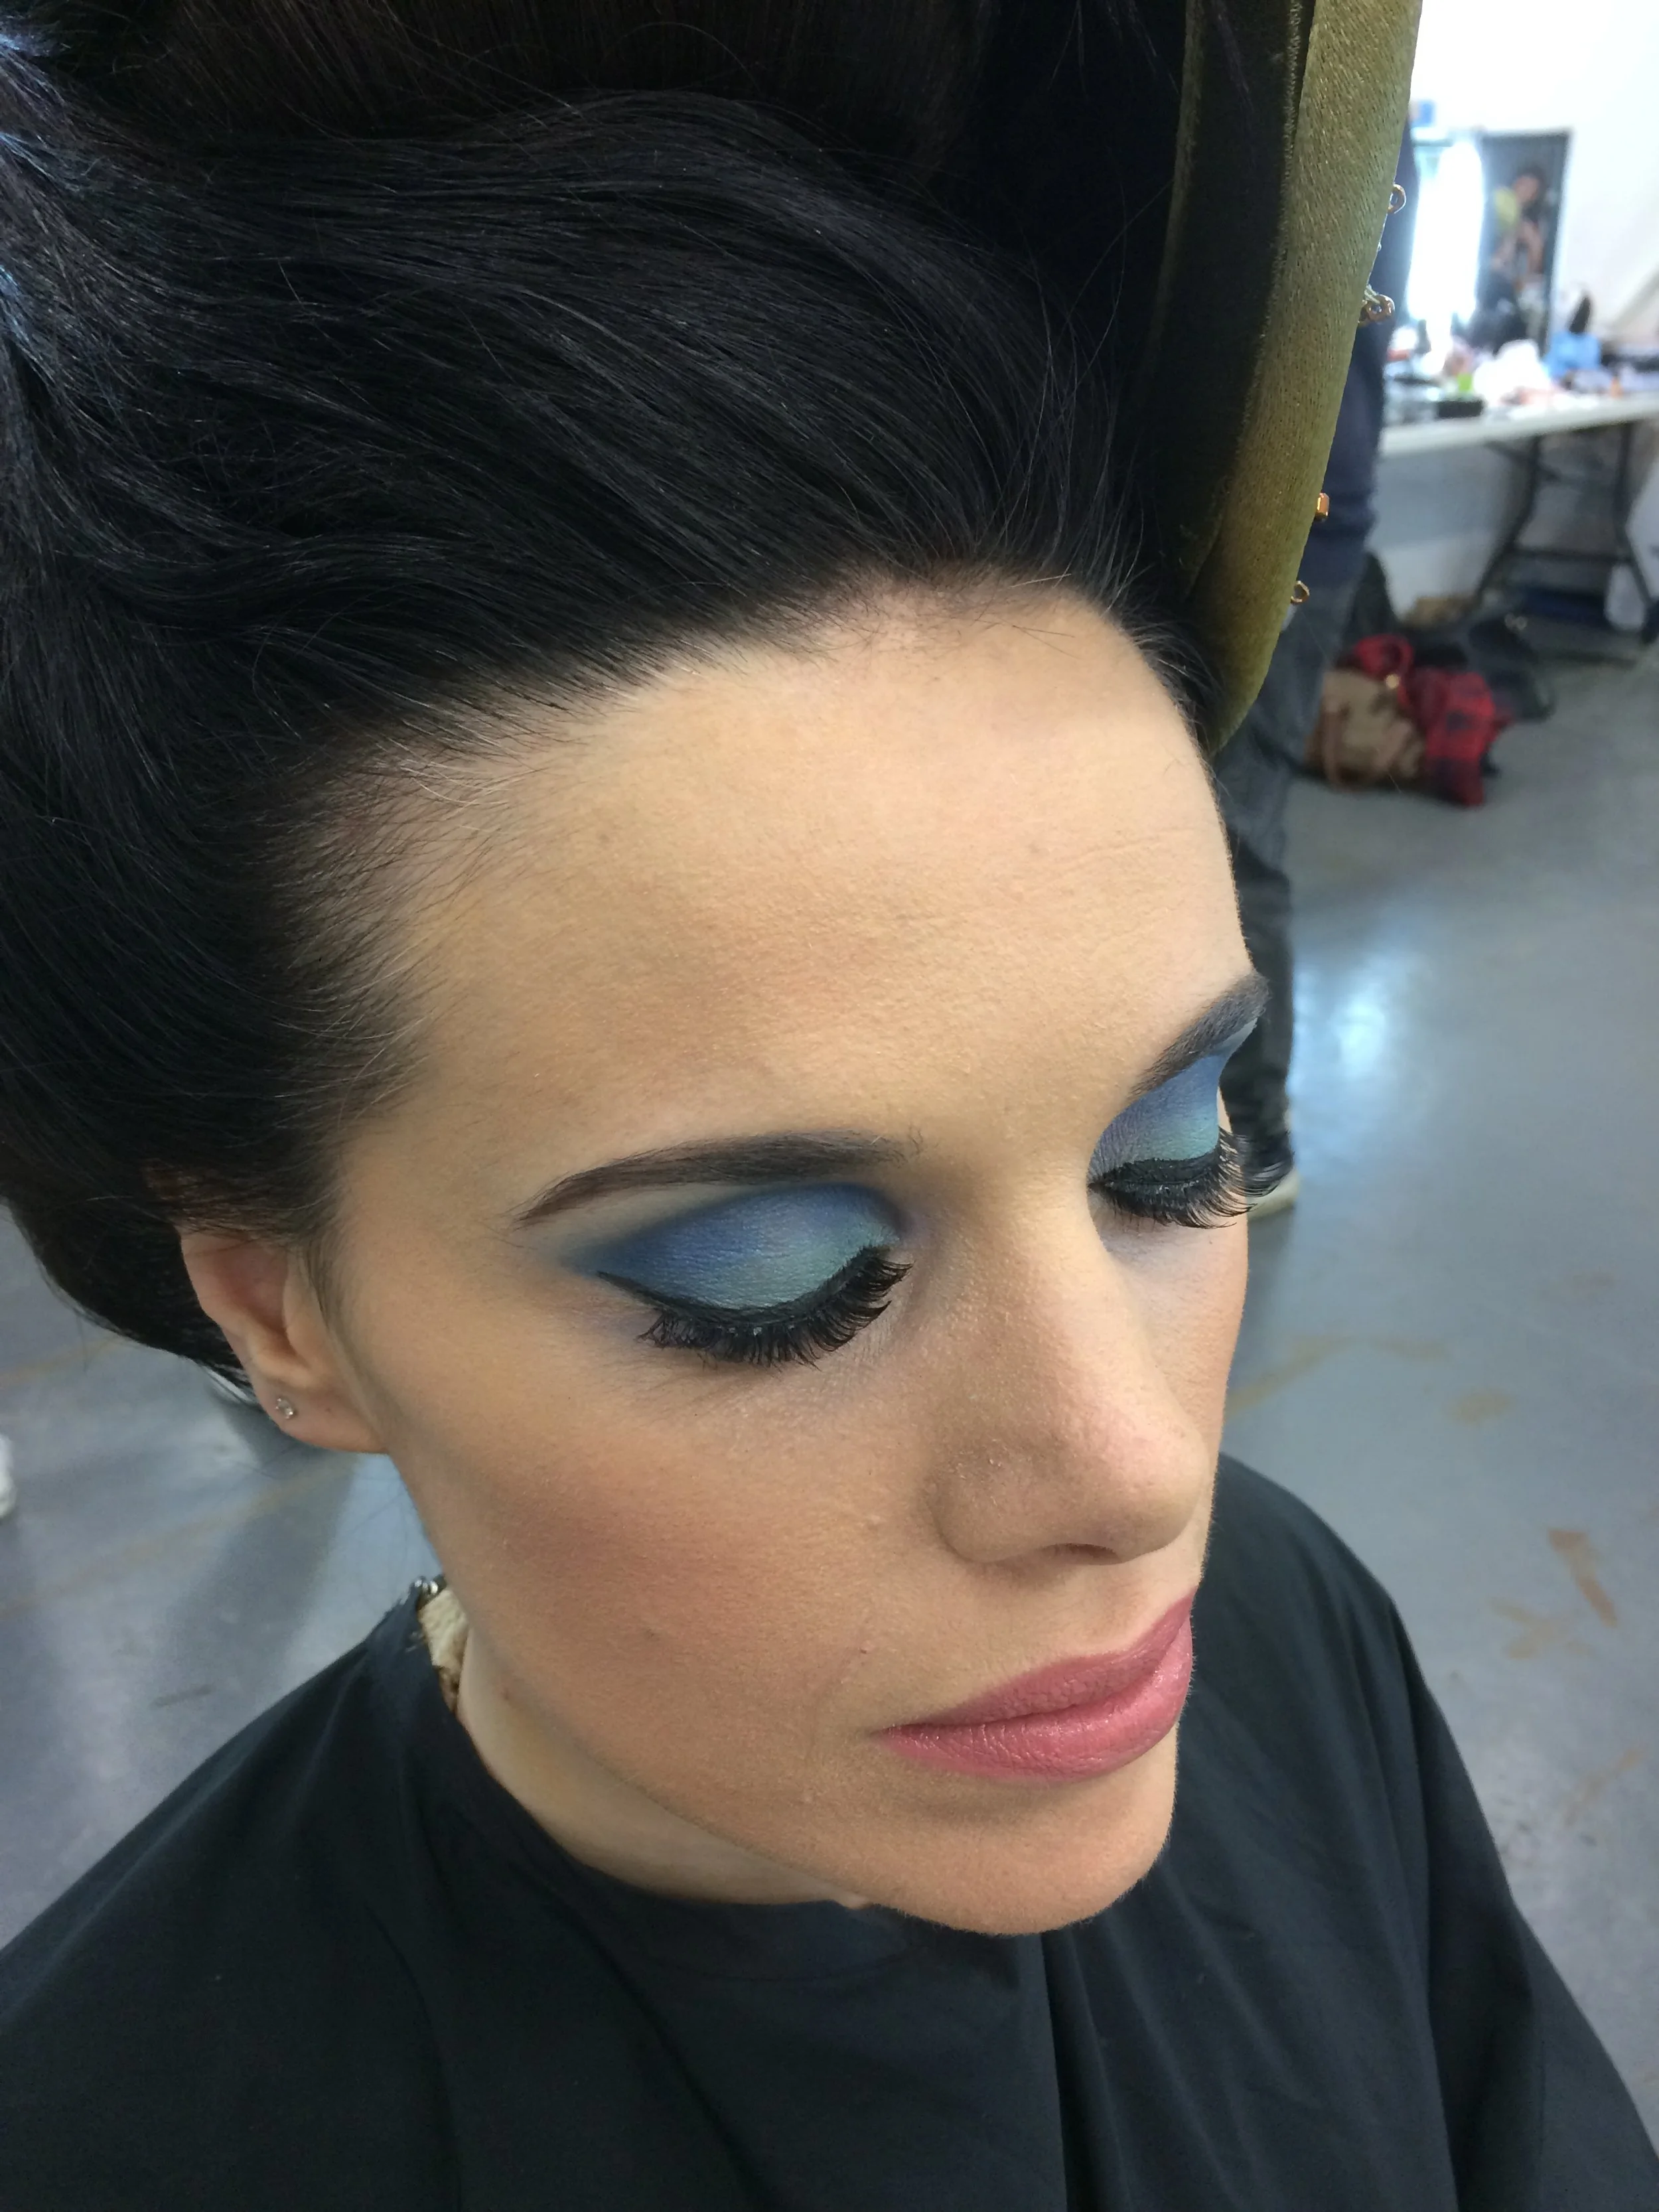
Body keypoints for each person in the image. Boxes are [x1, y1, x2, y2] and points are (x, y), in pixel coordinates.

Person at [0, 21, 1655, 2212]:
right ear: (280, 1308)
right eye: (776, 1279)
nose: (1138, 1471)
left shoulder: (1289, 1632)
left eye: (1170, 1154)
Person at [1211, 132, 1417, 1212]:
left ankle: (1257, 1133)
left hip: (1291, 525)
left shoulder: (1342, 102)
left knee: (1236, 837)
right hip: (1235, 519)